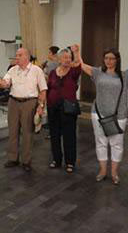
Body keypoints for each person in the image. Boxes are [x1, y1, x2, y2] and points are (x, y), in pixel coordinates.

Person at [74, 45, 126, 184]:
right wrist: (77, 52)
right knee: (101, 142)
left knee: (116, 144)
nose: (108, 61)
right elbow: (81, 65)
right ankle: (103, 171)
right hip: (98, 113)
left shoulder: (124, 76)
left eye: (112, 58)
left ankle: (114, 172)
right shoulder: (98, 73)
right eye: (106, 58)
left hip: (118, 115)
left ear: (117, 59)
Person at [0, 47, 48, 172]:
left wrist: (41, 106)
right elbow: (5, 84)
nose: (16, 57)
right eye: (16, 55)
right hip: (13, 102)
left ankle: (26, 161)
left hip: (30, 102)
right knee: (13, 131)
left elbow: (43, 90)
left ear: (27, 57)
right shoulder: (12, 70)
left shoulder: (36, 70)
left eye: (19, 55)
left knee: (28, 133)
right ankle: (13, 158)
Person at [45, 48, 81, 173]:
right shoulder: (53, 73)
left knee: (69, 136)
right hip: (53, 107)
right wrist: (44, 104)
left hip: (68, 108)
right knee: (54, 135)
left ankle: (70, 162)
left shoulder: (73, 72)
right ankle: (56, 160)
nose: (68, 60)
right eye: (65, 57)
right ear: (59, 59)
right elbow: (49, 88)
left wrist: (76, 52)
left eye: (69, 57)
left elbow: (78, 64)